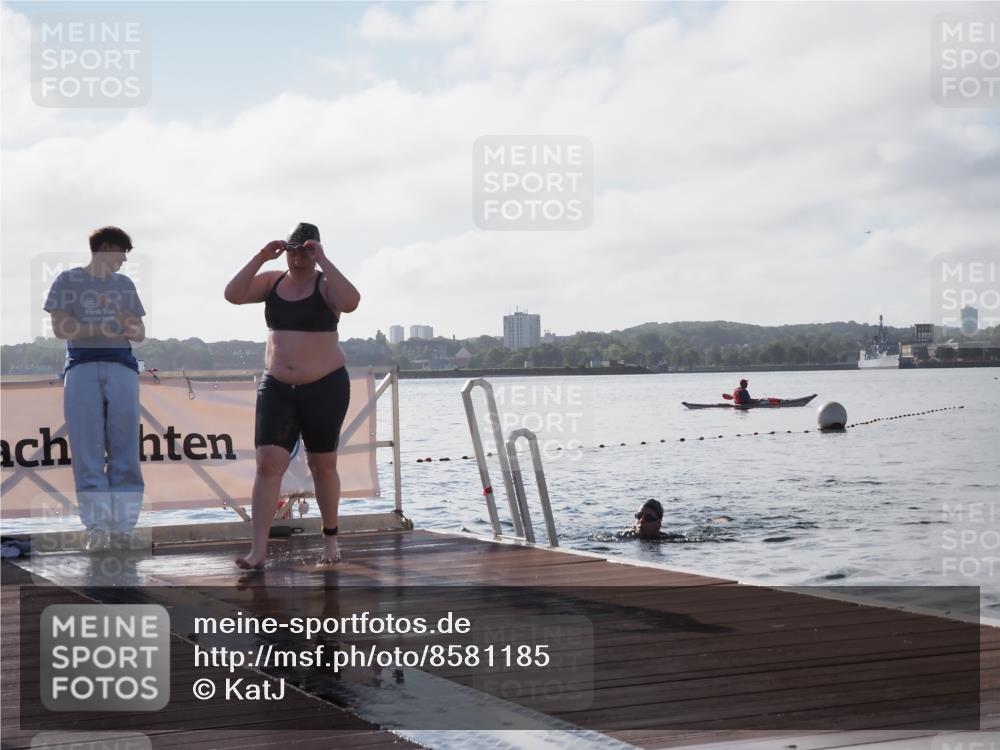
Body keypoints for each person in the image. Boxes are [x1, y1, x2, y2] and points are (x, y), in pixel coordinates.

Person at [225, 222, 360, 569]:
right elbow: (233, 294)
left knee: (322, 465)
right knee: (268, 462)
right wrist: (259, 257)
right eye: (293, 251)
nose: (298, 259)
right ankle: (258, 550)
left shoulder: (326, 286)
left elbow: (352, 302)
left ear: (315, 252)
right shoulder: (273, 281)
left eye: (305, 252)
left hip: (325, 385)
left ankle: (331, 539)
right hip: (278, 386)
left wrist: (324, 260)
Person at [43, 226, 147, 551]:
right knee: (87, 451)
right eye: (121, 252)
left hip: (122, 368)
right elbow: (61, 329)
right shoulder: (67, 281)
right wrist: (103, 327)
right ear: (104, 248)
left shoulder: (125, 285)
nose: (124, 260)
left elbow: (140, 332)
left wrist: (128, 326)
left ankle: (123, 527)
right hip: (82, 368)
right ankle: (97, 528)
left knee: (125, 450)